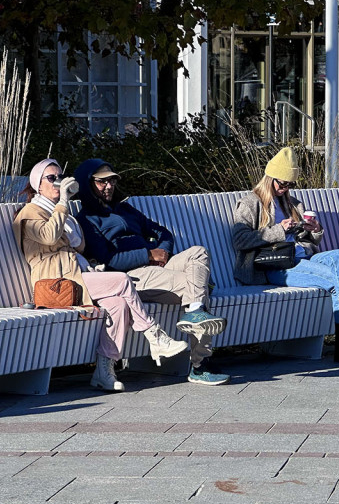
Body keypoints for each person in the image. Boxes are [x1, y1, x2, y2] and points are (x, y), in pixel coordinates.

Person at [14, 159, 189, 392]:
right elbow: (48, 236)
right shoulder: (30, 212)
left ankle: (103, 371)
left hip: (77, 276)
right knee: (122, 281)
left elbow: (80, 245)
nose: (57, 182)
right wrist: (64, 203)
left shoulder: (63, 215)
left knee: (118, 305)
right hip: (57, 283)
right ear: (38, 185)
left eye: (60, 176)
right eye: (51, 178)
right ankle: (154, 335)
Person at [74, 158, 230, 386]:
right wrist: (148, 255)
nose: (109, 186)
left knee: (198, 253)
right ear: (87, 184)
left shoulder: (125, 209)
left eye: (112, 181)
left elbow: (163, 232)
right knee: (197, 286)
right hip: (133, 275)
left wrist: (162, 254)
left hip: (157, 267)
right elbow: (109, 261)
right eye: (101, 182)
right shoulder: (86, 221)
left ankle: (195, 310)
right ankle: (200, 364)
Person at [231, 147, 339, 366]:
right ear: (269, 178)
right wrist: (279, 230)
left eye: (290, 185)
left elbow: (308, 241)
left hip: (302, 257)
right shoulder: (251, 203)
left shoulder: (293, 204)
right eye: (282, 183)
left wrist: (314, 229)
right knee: (337, 280)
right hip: (275, 267)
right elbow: (240, 240)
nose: (285, 188)